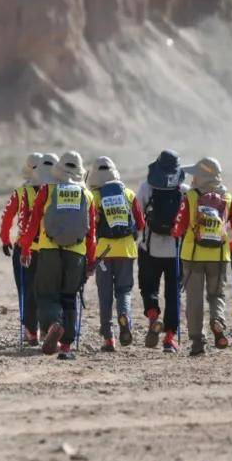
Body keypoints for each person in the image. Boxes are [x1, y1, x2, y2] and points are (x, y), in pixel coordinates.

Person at [20, 151, 97, 359]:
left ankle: (53, 322)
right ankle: (66, 345)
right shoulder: (87, 195)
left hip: (49, 249)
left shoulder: (47, 190)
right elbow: (92, 233)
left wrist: (26, 247)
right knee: (70, 297)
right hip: (76, 252)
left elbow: (33, 221)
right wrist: (91, 261)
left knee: (46, 294)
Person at [170, 157, 232, 356]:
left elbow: (178, 228)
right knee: (216, 295)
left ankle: (197, 344)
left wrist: (176, 233)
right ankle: (217, 321)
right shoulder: (228, 198)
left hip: (193, 256)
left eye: (195, 174)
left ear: (202, 177)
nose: (192, 178)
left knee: (194, 300)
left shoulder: (191, 197)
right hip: (219, 256)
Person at [87, 157, 146, 352]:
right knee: (124, 291)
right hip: (127, 251)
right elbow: (140, 224)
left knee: (105, 295)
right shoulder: (128, 194)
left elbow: (89, 227)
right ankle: (125, 317)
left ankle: (108, 338)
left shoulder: (93, 196)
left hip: (103, 251)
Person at [137, 150, 186, 353]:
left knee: (148, 287)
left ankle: (153, 316)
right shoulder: (184, 189)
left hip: (150, 248)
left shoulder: (146, 187)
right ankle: (170, 339)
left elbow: (138, 215)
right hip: (176, 250)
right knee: (173, 294)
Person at [0, 152, 44, 344]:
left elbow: (6, 218)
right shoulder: (53, 190)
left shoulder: (20, 193)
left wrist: (4, 239)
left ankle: (30, 331)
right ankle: (47, 327)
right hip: (49, 249)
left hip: (24, 248)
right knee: (47, 290)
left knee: (25, 290)